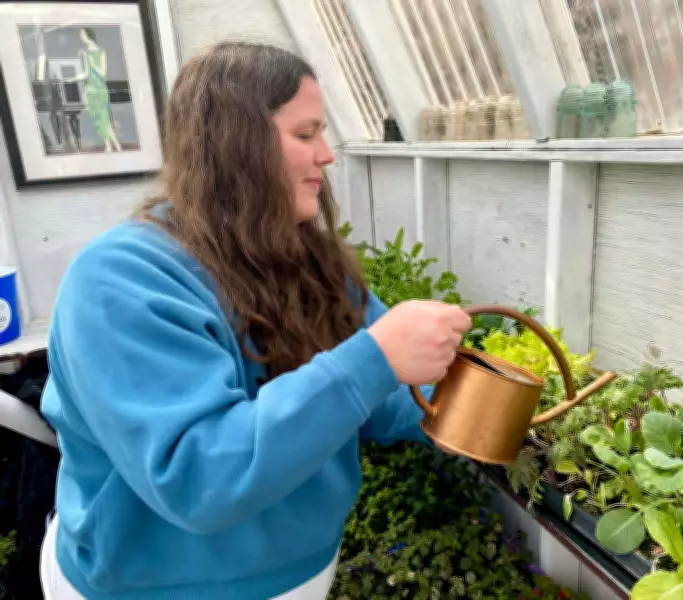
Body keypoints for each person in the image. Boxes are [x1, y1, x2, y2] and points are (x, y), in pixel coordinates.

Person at [39, 41, 471, 600]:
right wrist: (373, 360)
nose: (328, 155)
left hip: (303, 573)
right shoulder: (120, 280)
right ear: (237, 145)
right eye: (305, 133)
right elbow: (196, 478)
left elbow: (381, 400)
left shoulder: (302, 258)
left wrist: (466, 402)